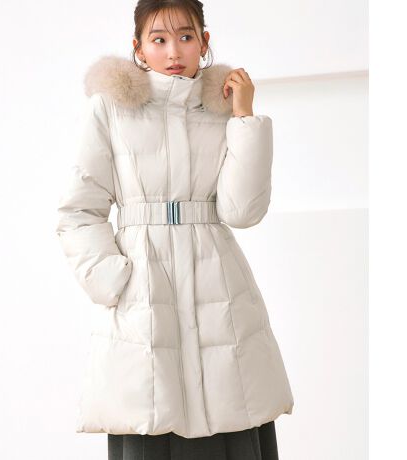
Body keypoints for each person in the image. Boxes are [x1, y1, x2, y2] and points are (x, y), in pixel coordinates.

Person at [55, 0, 294, 458]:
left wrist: (244, 116)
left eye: (185, 37)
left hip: (217, 283)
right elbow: (79, 210)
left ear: (204, 42)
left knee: (231, 406)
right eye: (159, 39)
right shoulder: (111, 109)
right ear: (138, 48)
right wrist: (113, 282)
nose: (173, 51)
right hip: (144, 287)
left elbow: (242, 210)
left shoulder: (220, 108)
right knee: (150, 410)